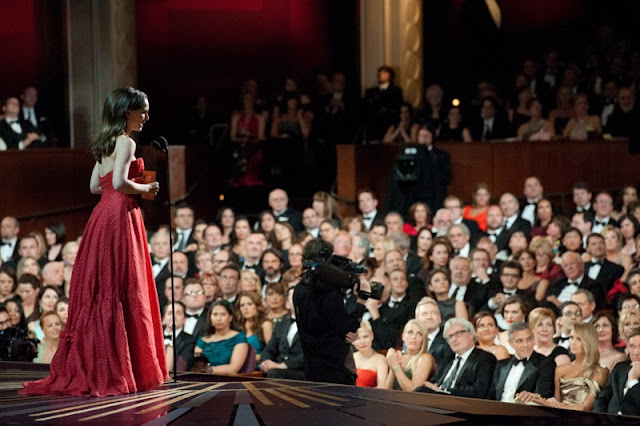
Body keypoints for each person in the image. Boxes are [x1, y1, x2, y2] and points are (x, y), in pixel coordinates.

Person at [20, 87, 167, 396]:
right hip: (120, 217)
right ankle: (120, 370)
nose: (146, 117)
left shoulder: (104, 143)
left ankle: (101, 364)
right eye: (143, 111)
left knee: (104, 286)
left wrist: (126, 188)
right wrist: (145, 188)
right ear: (127, 112)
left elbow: (94, 186)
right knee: (123, 287)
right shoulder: (126, 141)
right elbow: (117, 183)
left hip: (103, 216)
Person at [293, 238, 372, 385]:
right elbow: (349, 329)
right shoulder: (328, 293)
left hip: (312, 369)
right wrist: (361, 301)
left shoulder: (298, 289)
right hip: (336, 369)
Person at [531, 323, 608, 411]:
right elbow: (556, 403)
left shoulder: (600, 371)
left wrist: (551, 405)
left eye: (579, 339)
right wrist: (547, 402)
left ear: (589, 341)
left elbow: (585, 407)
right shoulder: (560, 369)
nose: (573, 342)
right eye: (571, 337)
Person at [416, 317, 497, 399]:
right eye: (450, 336)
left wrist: (444, 390)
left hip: (462, 404)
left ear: (471, 334)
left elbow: (479, 390)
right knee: (419, 392)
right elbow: (433, 383)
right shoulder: (446, 360)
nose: (454, 339)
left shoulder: (485, 358)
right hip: (438, 401)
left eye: (458, 334)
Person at [490, 321, 556, 403]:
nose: (525, 345)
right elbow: (491, 396)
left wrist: (533, 397)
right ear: (511, 343)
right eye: (519, 341)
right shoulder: (501, 365)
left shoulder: (545, 363)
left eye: (528, 339)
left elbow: (544, 394)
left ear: (534, 339)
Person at [259, 286, 305, 380]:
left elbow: (309, 355)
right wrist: (266, 362)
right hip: (277, 369)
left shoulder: (314, 325)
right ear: (287, 304)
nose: (299, 300)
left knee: (274, 373)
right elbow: (269, 349)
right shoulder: (281, 325)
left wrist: (282, 365)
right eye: (295, 298)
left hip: (301, 371)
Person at [594, 326, 640, 415]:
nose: (636, 352)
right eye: (632, 347)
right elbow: (602, 398)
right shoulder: (620, 368)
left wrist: (633, 380)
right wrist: (600, 419)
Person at [194, 300, 249, 374]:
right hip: (202, 379)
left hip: (228, 381)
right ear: (210, 318)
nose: (218, 319)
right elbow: (196, 365)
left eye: (223, 314)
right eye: (215, 314)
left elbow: (233, 368)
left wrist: (208, 370)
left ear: (230, 318)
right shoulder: (203, 339)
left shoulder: (239, 337)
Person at [384, 319, 434, 391]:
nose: (414, 337)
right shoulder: (399, 356)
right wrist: (393, 363)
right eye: (410, 332)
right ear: (403, 336)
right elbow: (387, 392)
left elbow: (413, 390)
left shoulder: (425, 358)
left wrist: (395, 365)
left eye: (419, 334)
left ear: (423, 339)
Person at [353, 319, 388, 388]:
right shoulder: (350, 357)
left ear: (372, 336)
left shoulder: (380, 359)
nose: (362, 341)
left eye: (365, 337)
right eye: (357, 338)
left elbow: (382, 388)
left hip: (369, 397)